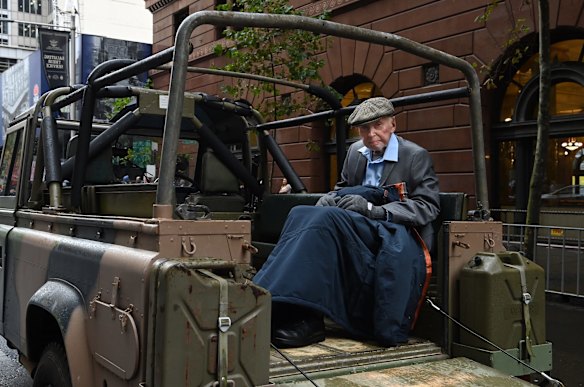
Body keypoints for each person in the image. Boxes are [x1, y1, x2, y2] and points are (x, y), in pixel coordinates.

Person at [253, 97, 440, 348]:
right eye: (364, 128)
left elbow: (428, 207)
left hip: (394, 232)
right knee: (300, 212)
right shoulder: (355, 153)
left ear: (393, 124)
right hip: (356, 226)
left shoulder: (415, 156)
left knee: (326, 220)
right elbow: (342, 189)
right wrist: (330, 199)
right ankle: (279, 304)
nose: (371, 134)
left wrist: (373, 209)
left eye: (378, 125)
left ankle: (309, 318)